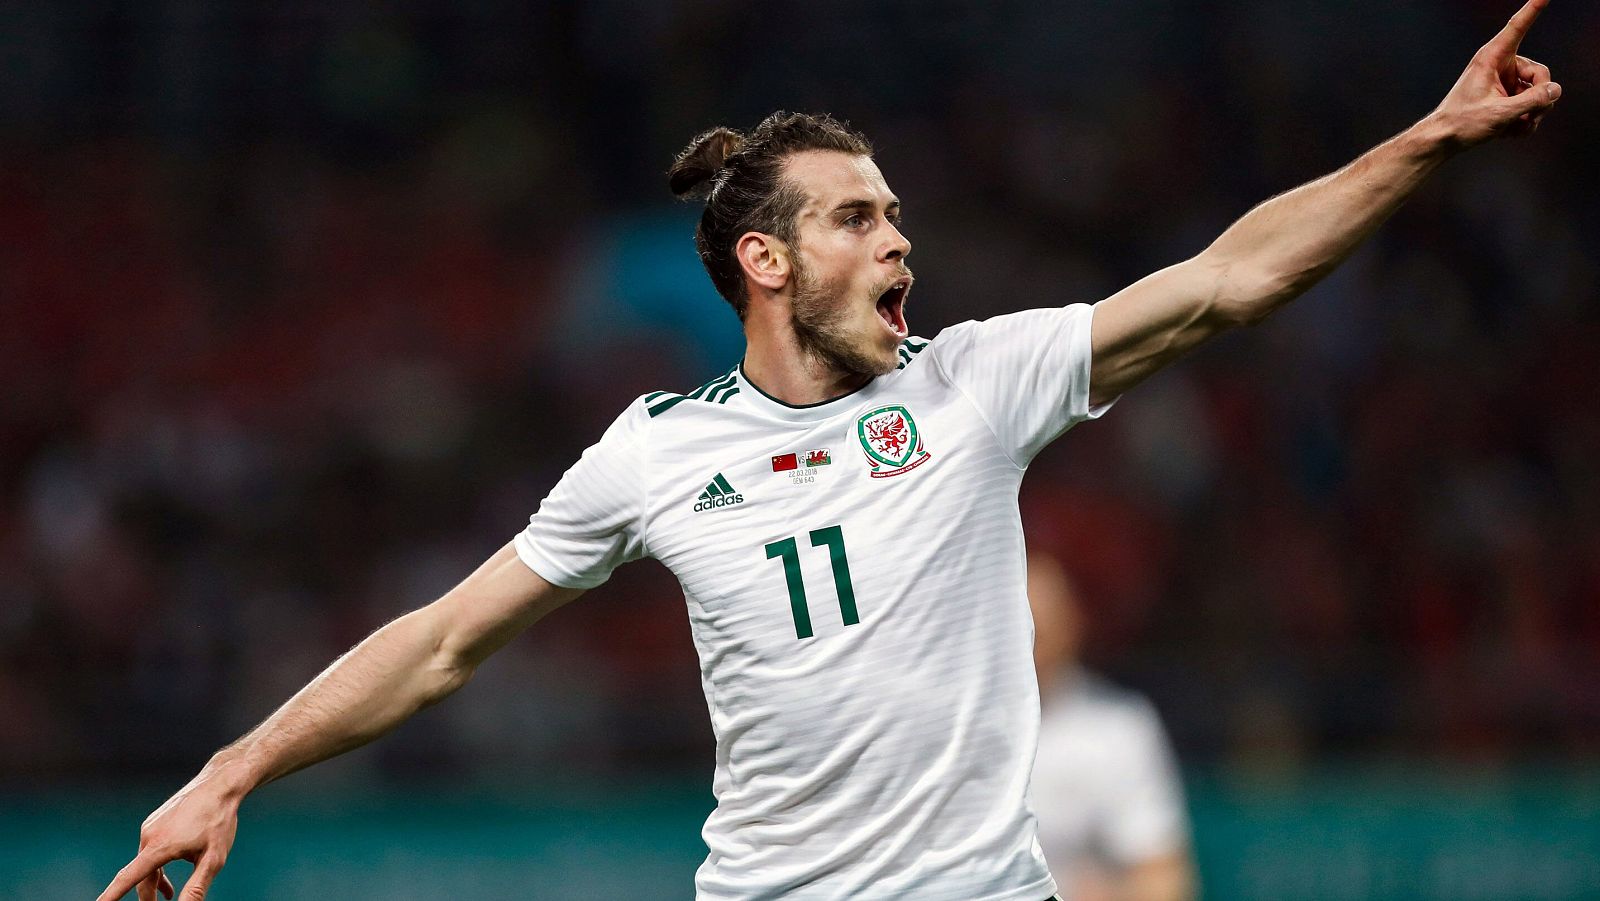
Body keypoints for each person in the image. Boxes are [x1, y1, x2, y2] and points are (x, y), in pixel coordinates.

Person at [100, 4, 1560, 899]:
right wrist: (234, 766)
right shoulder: (655, 453)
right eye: (857, 217)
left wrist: (1425, 141)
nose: (898, 237)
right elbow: (438, 643)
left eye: (897, 215)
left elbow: (1233, 279)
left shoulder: (980, 382)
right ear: (766, 260)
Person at [1027, 551, 1196, 901]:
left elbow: (1166, 880)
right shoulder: (950, 726)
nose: (1028, 647)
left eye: (1039, 632)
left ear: (1072, 624)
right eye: (1015, 631)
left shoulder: (1118, 730)